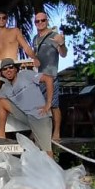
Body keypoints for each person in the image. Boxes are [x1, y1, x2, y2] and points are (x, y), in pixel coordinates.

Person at [0, 58, 54, 152]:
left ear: (16, 69)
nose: (8, 70)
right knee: (1, 102)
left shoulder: (25, 74)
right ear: (2, 73)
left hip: (39, 116)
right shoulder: (5, 87)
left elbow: (48, 79)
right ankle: (1, 134)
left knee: (47, 152)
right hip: (26, 117)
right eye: (5, 69)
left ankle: (50, 164)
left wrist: (48, 103)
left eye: (10, 67)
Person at [33, 12, 68, 142]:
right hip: (39, 77)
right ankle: (39, 132)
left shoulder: (54, 36)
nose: (40, 23)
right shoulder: (35, 38)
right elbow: (36, 56)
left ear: (47, 21)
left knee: (54, 106)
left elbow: (63, 54)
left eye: (43, 20)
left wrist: (62, 44)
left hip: (52, 76)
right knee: (38, 105)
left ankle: (56, 132)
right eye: (37, 21)